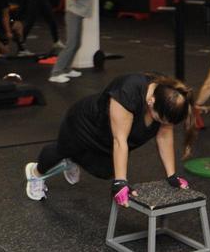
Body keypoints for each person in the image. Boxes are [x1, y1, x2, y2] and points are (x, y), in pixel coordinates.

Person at [24, 72, 197, 203]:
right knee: (61, 151)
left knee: (104, 171)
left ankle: (73, 158)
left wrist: (172, 176)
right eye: (160, 120)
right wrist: (120, 183)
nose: (163, 125)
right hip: (84, 124)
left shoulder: (167, 95)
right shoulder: (128, 91)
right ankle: (35, 173)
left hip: (107, 134)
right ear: (151, 101)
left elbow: (164, 137)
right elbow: (120, 141)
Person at [49, 0, 97, 83]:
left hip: (78, 16)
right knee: (71, 45)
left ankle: (66, 69)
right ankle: (55, 73)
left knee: (76, 44)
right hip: (73, 15)